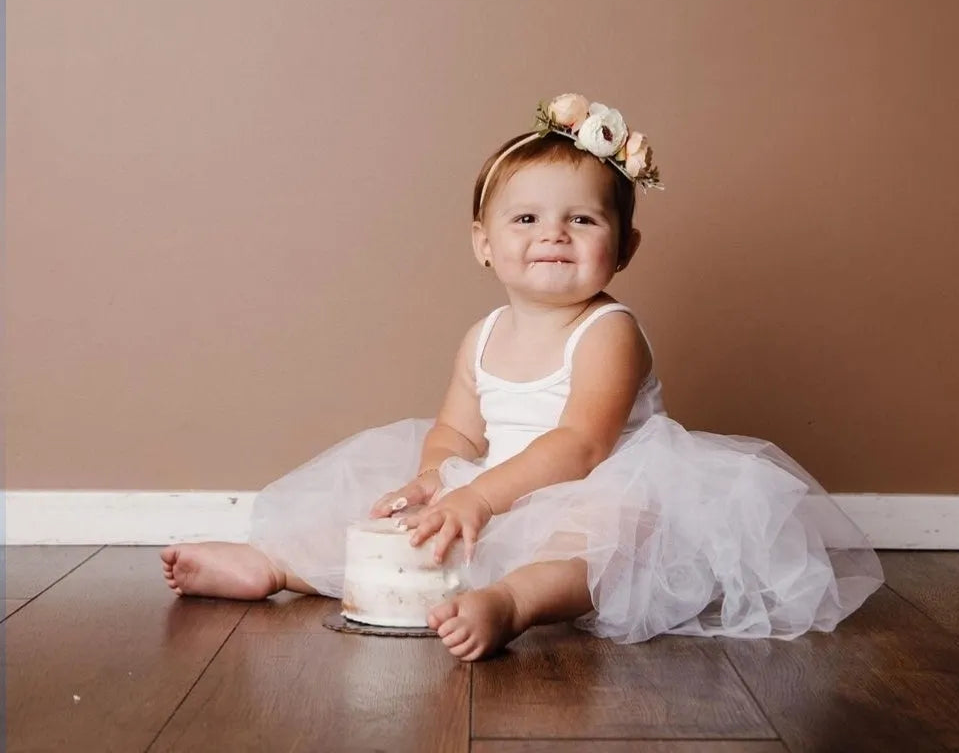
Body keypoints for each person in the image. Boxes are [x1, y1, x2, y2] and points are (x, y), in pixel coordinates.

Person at [161, 92, 885, 662]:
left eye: (581, 221)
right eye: (527, 218)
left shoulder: (609, 332)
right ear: (483, 242)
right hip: (496, 488)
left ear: (624, 247)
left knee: (601, 536)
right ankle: (276, 565)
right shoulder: (480, 338)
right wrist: (435, 480)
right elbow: (453, 431)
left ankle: (512, 605)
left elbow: (580, 447)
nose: (553, 235)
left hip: (596, 488)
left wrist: (478, 496)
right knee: (384, 511)